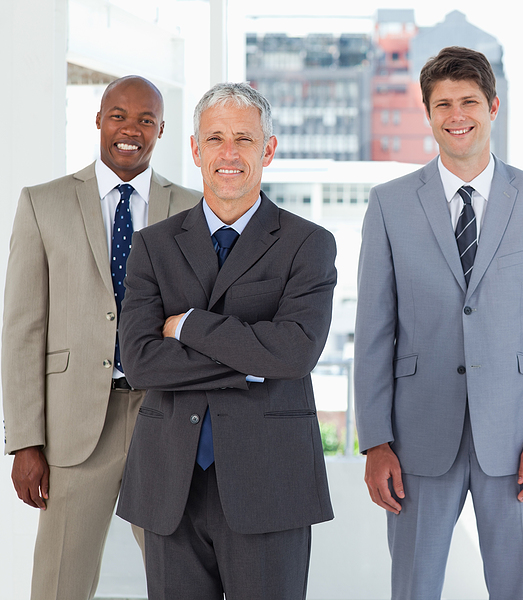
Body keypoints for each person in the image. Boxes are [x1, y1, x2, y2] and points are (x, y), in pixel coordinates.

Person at [354, 46, 523, 600]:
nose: (457, 115)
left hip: (517, 435)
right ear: (427, 114)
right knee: (414, 589)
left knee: (517, 588)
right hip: (416, 436)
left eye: (469, 101)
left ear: (493, 106)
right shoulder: (389, 204)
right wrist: (375, 440)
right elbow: (375, 330)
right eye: (443, 104)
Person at [114, 82, 337, 598]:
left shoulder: (308, 244)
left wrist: (190, 326)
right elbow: (143, 363)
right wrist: (253, 362)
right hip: (171, 484)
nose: (229, 153)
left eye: (244, 138)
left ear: (269, 150)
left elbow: (296, 352)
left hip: (270, 484)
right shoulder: (153, 246)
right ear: (195, 150)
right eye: (215, 138)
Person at [2, 75, 200, 600]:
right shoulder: (43, 204)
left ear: (161, 130)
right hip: (73, 426)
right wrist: (25, 440)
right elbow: (22, 329)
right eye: (118, 115)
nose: (130, 130)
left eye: (145, 120)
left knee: (181, 576)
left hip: (166, 415)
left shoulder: (192, 209)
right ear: (98, 119)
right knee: (59, 585)